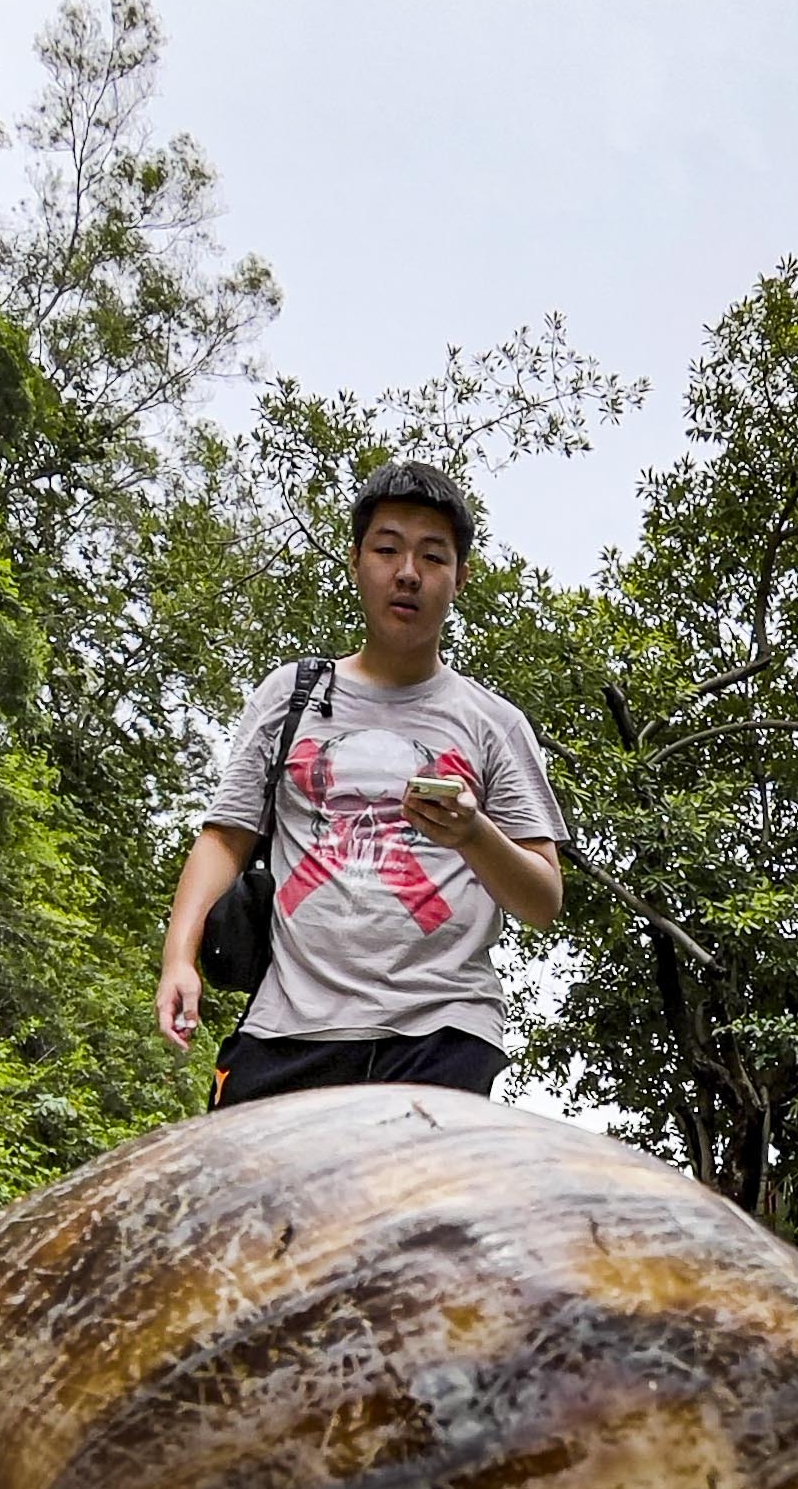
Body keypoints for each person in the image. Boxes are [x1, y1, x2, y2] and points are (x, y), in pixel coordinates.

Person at [157, 459, 568, 1109]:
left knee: (411, 1213)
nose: (408, 572)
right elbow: (224, 839)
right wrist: (178, 958)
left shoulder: (493, 725)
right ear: (355, 562)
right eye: (387, 549)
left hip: (443, 1031)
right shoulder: (289, 697)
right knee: (252, 1209)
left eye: (433, 556)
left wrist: (472, 833)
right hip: (288, 1029)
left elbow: (543, 900)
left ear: (460, 576)